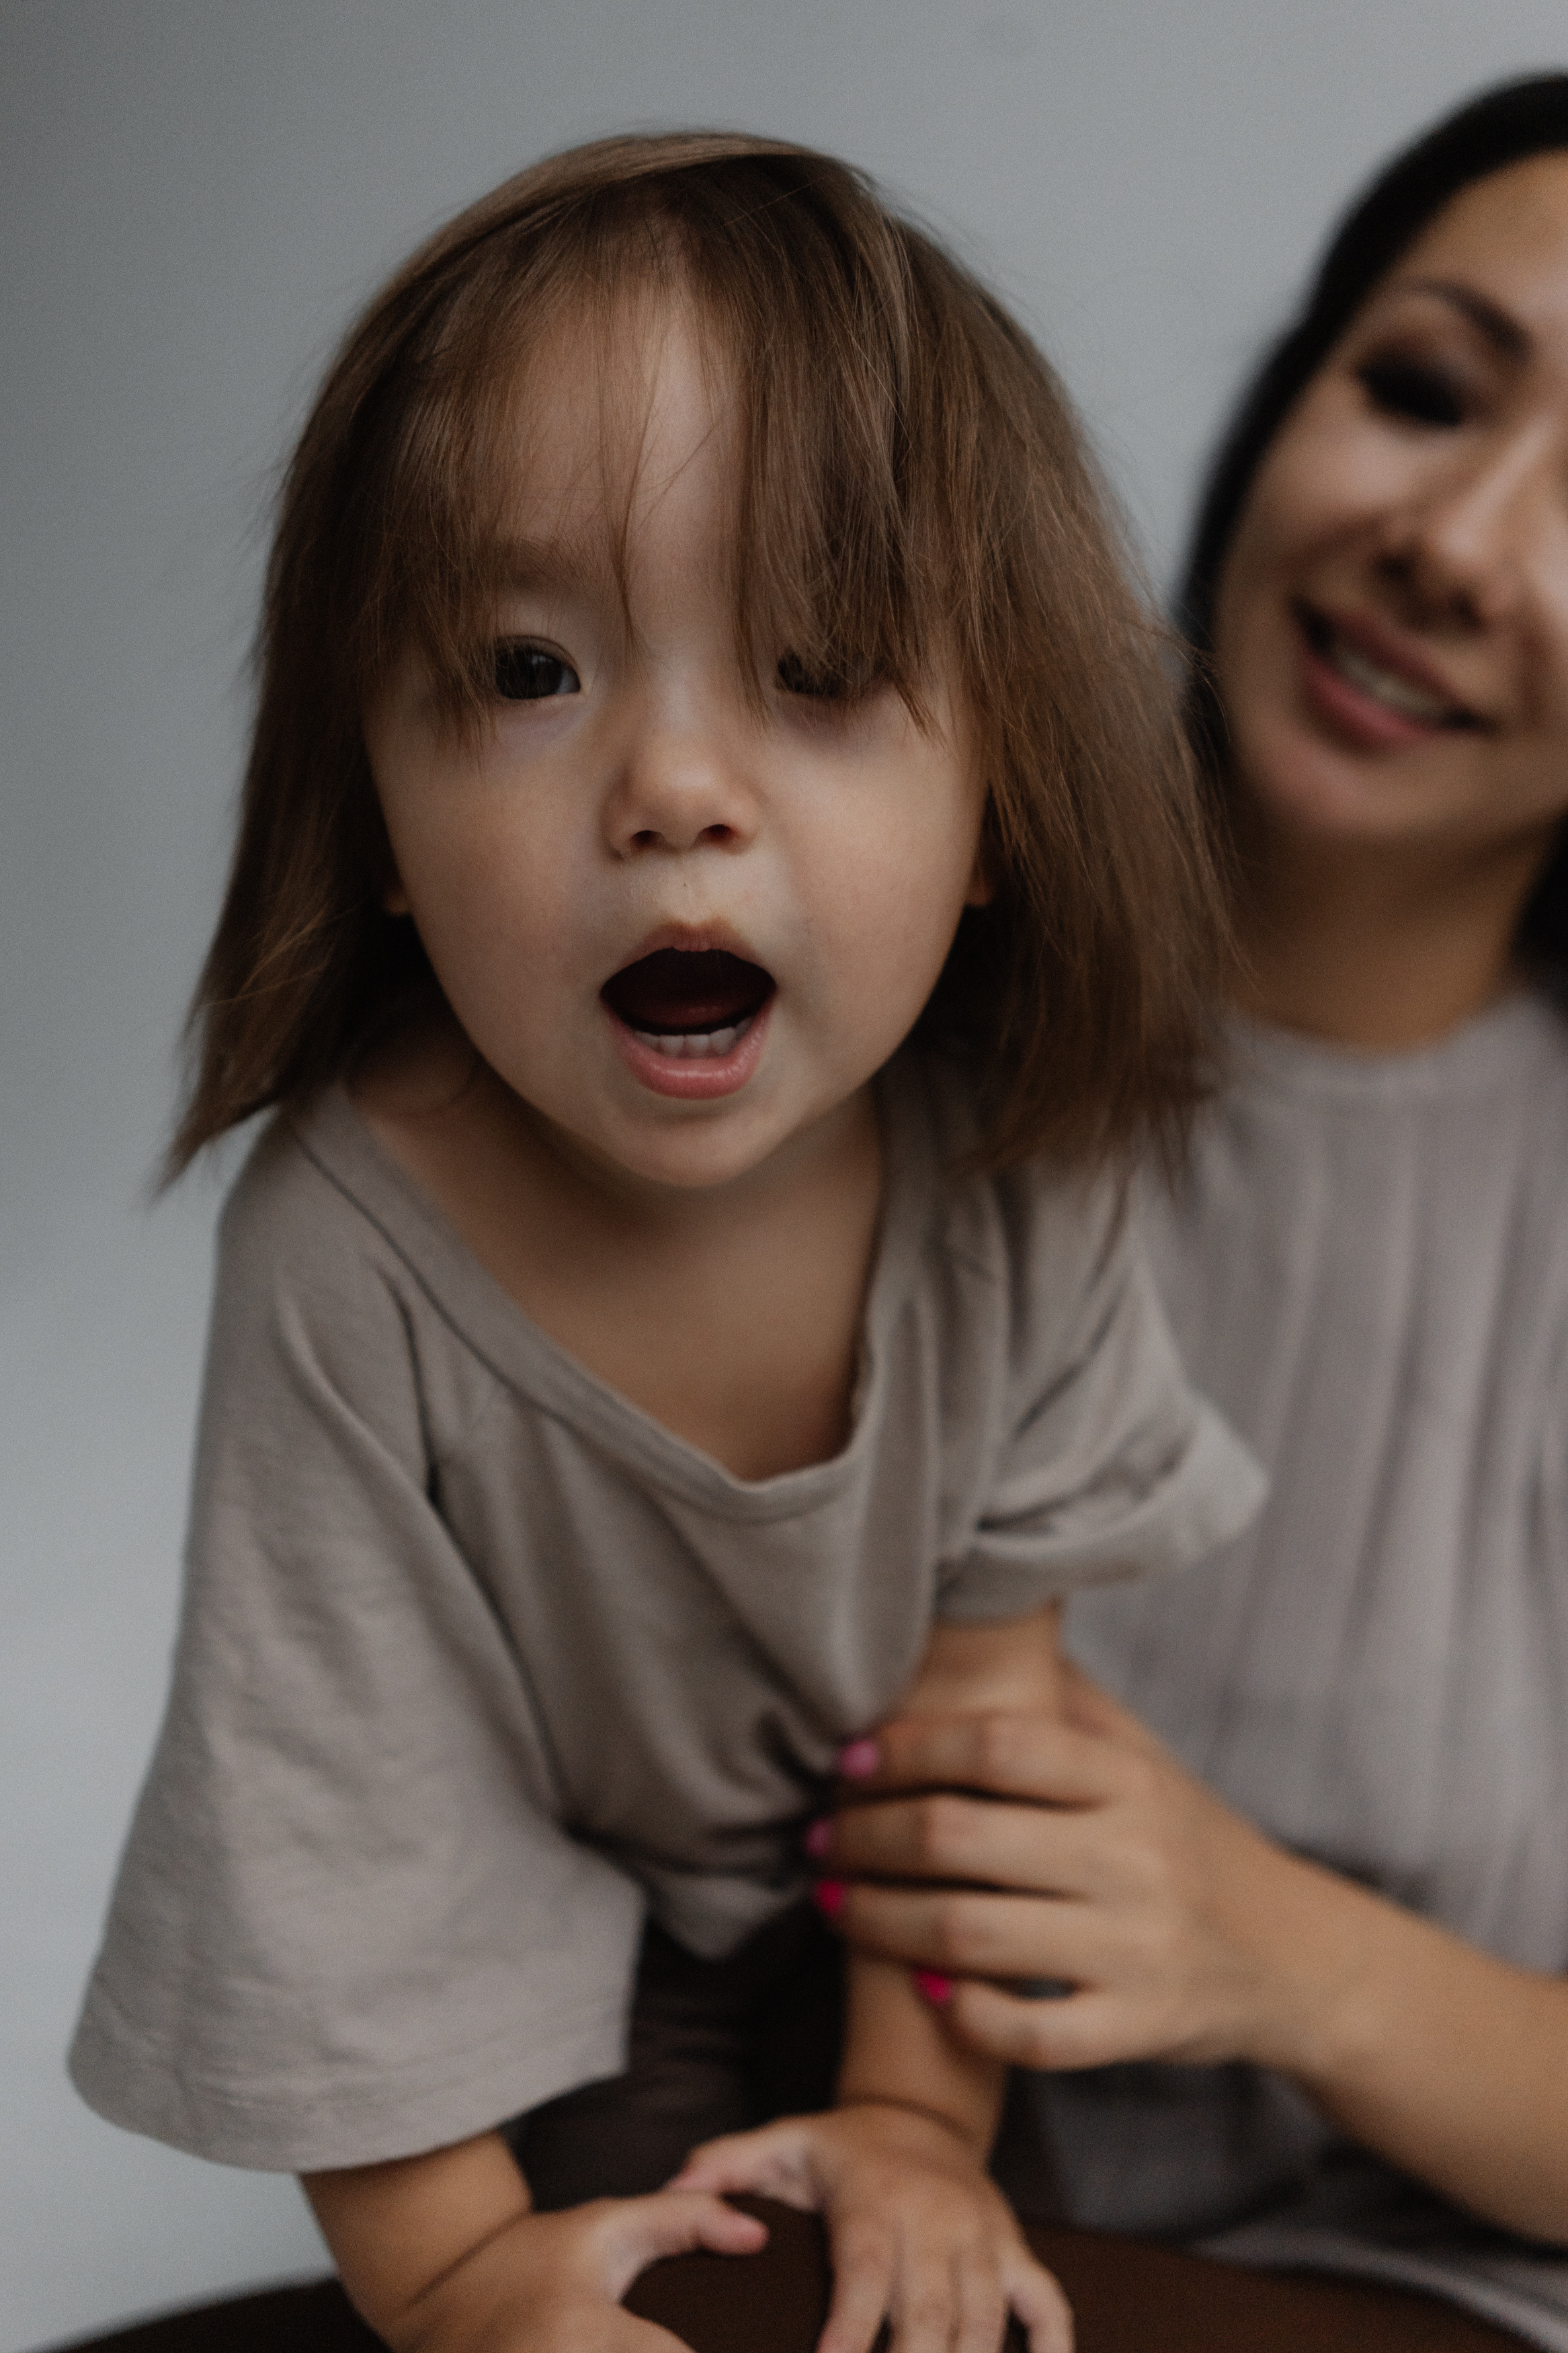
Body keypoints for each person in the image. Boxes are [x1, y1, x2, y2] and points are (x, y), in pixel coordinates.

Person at [66, 132, 1264, 2353]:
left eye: (817, 662)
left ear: (997, 806)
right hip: (544, 1965)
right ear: (380, 814)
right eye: (531, 667)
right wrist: (454, 2279)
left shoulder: (1024, 1168)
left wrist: (908, 2121)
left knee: (997, 2267)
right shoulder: (350, 1254)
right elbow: (338, 1836)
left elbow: (974, 1739)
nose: (674, 789)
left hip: (901, 1940)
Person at [807, 72, 1568, 2353]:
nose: (1460, 543)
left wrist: (1276, 1948)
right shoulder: (837, 966)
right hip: (812, 2197)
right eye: (1423, 388)